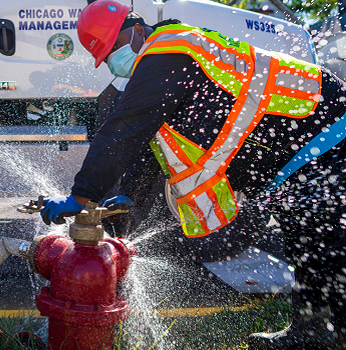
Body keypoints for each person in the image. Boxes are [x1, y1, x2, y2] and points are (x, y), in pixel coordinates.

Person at [39, 1, 346, 348]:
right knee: (309, 242)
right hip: (306, 150)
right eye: (107, 56)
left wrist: (81, 195)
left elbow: (123, 129)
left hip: (330, 136)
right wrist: (131, 194)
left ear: (138, 29)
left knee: (329, 243)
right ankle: (313, 333)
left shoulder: (167, 53)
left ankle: (322, 334)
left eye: (114, 47)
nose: (114, 60)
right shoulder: (168, 59)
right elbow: (154, 138)